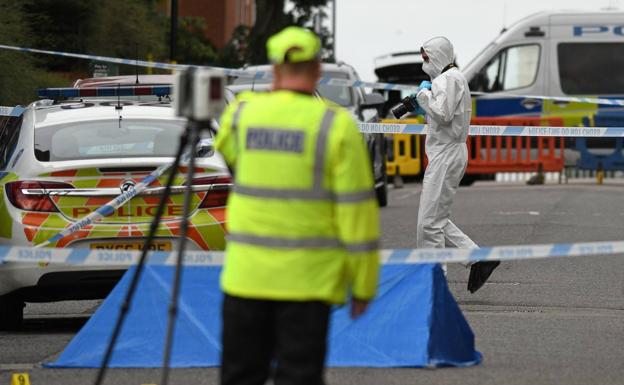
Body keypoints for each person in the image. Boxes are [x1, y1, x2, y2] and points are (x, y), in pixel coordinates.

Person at [215, 26, 380, 385]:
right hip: (309, 285)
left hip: (246, 280)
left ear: (274, 70)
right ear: (318, 69)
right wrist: (364, 285)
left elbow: (230, 157)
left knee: (240, 377)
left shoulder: (241, 115)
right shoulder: (335, 126)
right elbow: (358, 213)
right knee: (299, 377)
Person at [414, 36, 499, 293]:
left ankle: (434, 282)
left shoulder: (448, 79)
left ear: (438, 55)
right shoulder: (451, 78)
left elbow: (443, 113)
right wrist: (427, 98)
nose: (424, 64)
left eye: (427, 58)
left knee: (428, 223)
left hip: (446, 154)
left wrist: (423, 97)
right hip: (448, 152)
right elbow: (443, 113)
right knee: (436, 218)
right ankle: (477, 258)